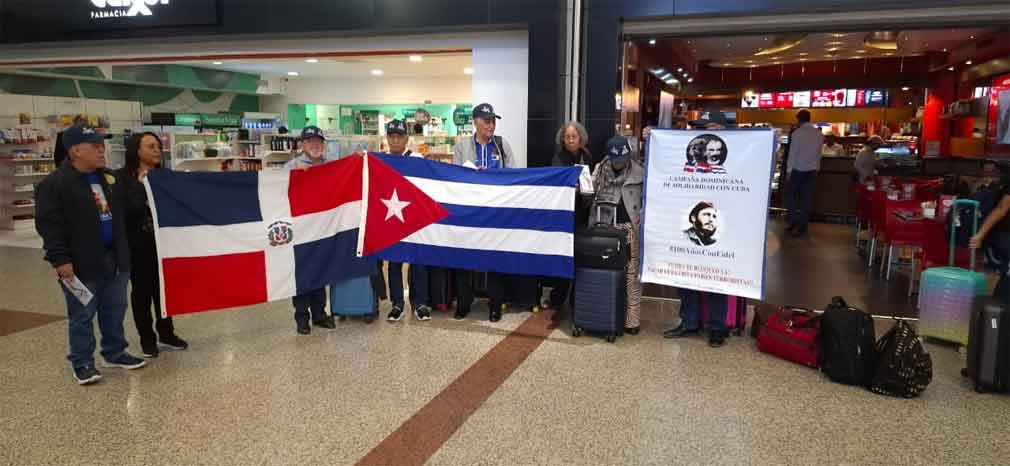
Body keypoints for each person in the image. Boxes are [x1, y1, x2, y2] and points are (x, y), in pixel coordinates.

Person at [35, 124, 147, 385]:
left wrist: (145, 186)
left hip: (116, 259)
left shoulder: (109, 178)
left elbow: (129, 209)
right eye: (94, 146)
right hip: (80, 263)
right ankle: (82, 362)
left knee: (114, 310)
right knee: (82, 315)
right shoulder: (54, 184)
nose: (101, 150)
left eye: (101, 145)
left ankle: (114, 353)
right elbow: (49, 226)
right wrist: (60, 260)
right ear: (75, 151)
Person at [665, 113, 733, 348]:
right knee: (686, 275)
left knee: (716, 278)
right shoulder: (692, 160)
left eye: (710, 127)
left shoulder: (735, 156)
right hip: (692, 222)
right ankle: (689, 321)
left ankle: (717, 327)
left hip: (720, 225)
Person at [119, 132, 188, 358]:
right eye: (151, 146)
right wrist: (141, 187)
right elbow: (127, 211)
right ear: (136, 150)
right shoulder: (122, 179)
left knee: (164, 291)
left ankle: (166, 333)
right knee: (142, 293)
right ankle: (147, 339)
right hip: (138, 245)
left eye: (158, 146)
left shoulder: (165, 176)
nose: (157, 150)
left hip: (164, 244)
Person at [452, 103, 515, 322]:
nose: (491, 125)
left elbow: (513, 176)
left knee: (495, 258)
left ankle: (495, 305)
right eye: (487, 121)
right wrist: (473, 176)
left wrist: (494, 177)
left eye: (493, 121)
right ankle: (463, 302)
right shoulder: (462, 146)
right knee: (464, 257)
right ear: (475, 122)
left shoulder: (501, 145)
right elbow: (454, 177)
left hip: (495, 212)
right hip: (469, 211)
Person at [283, 126, 338, 334]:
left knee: (320, 270)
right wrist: (294, 177)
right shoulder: (291, 166)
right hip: (300, 229)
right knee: (302, 273)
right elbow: (278, 192)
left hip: (323, 227)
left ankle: (319, 314)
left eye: (318, 142)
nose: (315, 145)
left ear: (323, 145)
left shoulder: (330, 165)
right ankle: (301, 318)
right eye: (310, 141)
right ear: (302, 145)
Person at [589, 136, 644, 335]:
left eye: (623, 159)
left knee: (631, 275)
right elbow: (589, 192)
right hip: (604, 227)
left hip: (629, 228)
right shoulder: (599, 170)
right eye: (616, 160)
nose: (620, 164)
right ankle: (604, 315)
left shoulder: (639, 172)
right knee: (603, 272)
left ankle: (632, 320)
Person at [383, 120, 433, 322]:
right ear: (387, 138)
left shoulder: (417, 159)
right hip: (392, 217)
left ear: (406, 139)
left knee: (418, 262)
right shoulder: (381, 160)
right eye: (392, 136)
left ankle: (420, 303)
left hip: (414, 218)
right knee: (394, 262)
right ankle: (397, 304)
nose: (395, 140)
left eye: (399, 137)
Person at [546, 121, 594, 311]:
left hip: (583, 212)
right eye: (567, 137)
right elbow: (556, 184)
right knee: (564, 255)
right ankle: (558, 298)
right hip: (565, 214)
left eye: (574, 136)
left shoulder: (587, 156)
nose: (571, 140)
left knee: (580, 256)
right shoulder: (558, 158)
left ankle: (577, 299)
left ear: (581, 138)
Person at [969, 174, 1010, 306]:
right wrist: (980, 235)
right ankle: (997, 311)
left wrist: (980, 235)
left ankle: (997, 310)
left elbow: (1001, 208)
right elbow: (1002, 208)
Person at [785, 110, 824, 237]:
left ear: (799, 119)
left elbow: (793, 153)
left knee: (792, 197)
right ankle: (802, 227)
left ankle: (793, 221)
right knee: (806, 200)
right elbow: (819, 153)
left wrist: (789, 170)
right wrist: (817, 168)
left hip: (797, 169)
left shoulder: (797, 133)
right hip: (812, 170)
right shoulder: (819, 134)